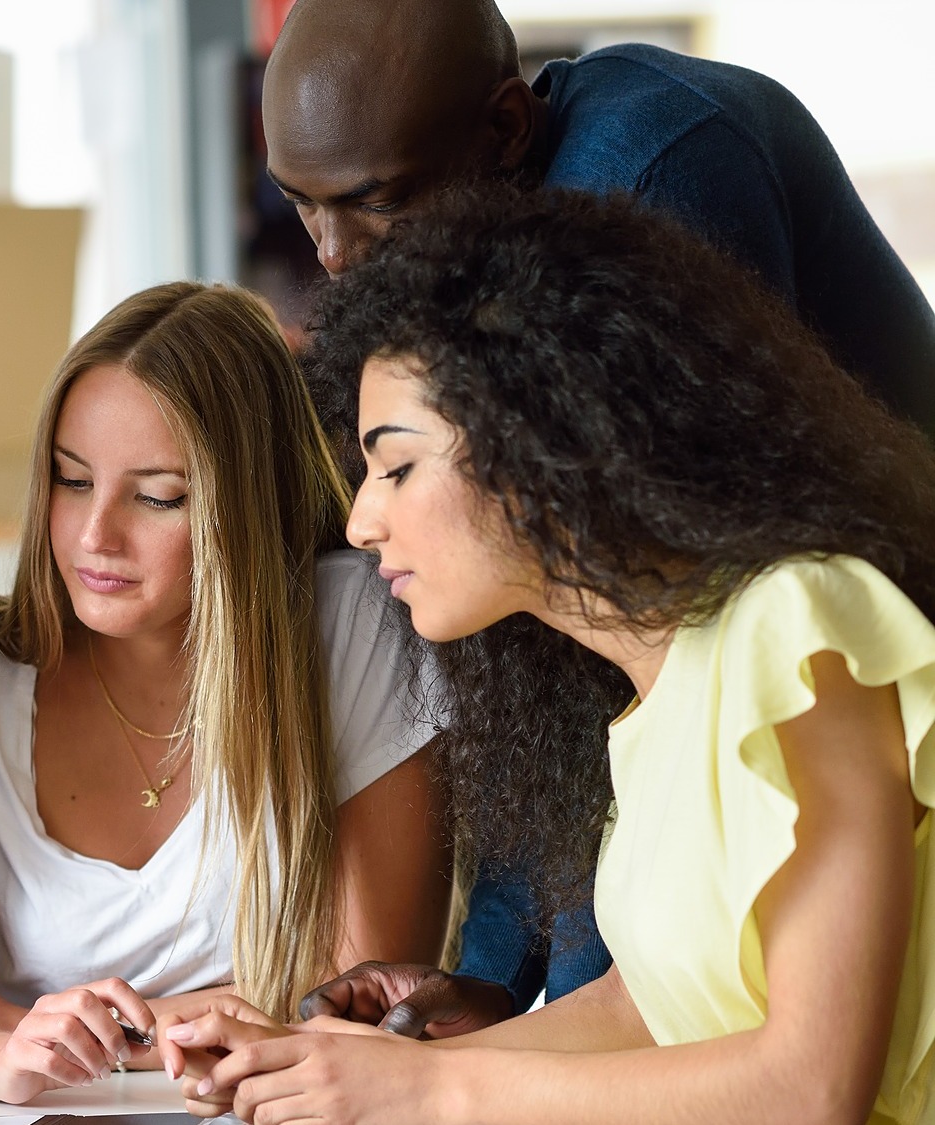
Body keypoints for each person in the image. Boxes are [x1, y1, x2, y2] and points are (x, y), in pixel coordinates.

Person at [158, 186, 935, 1125]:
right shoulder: (649, 692)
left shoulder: (799, 629)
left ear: (541, 439)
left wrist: (426, 1087)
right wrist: (326, 1060)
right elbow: (650, 1009)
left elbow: (812, 1087)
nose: (362, 520)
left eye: (396, 465)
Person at [257, 0, 935, 1031]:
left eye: (372, 201)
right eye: (299, 206)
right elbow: (536, 662)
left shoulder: (650, 183)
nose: (335, 253)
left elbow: (615, 678)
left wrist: (536, 1030)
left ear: (502, 133)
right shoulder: (482, 266)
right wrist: (490, 981)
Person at [0, 282, 449, 1102]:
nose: (93, 536)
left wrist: (17, 1022)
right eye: (72, 481)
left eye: (157, 497)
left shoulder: (351, 624)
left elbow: (361, 1006)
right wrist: (0, 1053)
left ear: (244, 506)